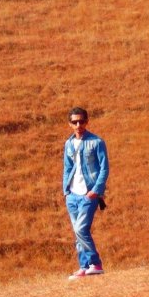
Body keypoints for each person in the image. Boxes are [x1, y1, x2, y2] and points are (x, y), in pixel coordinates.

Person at [62, 107, 109, 280]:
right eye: (74, 122)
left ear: (87, 122)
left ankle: (95, 263)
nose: (78, 124)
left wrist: (96, 190)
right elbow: (67, 168)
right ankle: (84, 266)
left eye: (81, 121)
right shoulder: (68, 144)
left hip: (89, 194)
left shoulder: (97, 142)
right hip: (72, 194)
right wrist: (66, 191)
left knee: (81, 228)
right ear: (70, 124)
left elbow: (104, 168)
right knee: (78, 232)